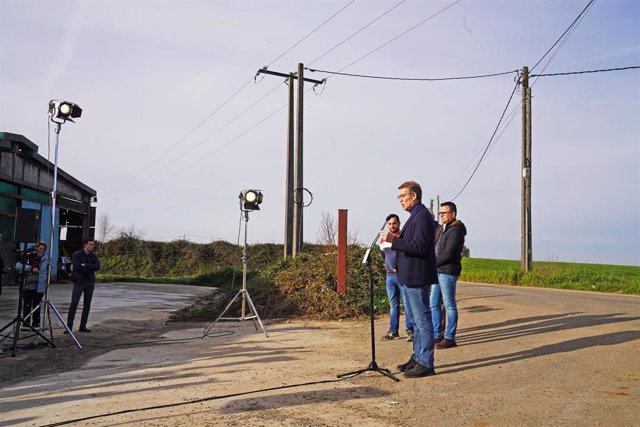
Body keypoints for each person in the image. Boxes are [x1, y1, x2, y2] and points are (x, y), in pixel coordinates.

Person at [380, 181, 438, 378]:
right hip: (409, 276)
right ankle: (417, 357)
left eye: (403, 196)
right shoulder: (415, 216)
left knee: (422, 321)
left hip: (416, 276)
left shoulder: (422, 216)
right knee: (415, 321)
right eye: (399, 197)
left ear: (414, 195)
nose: (400, 201)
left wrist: (393, 240)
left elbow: (420, 246)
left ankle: (426, 362)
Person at [431, 201, 467, 349]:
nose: (442, 216)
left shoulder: (456, 230)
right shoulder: (443, 229)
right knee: (433, 303)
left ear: (453, 214)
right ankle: (437, 334)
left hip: (448, 272)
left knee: (449, 304)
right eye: (440, 213)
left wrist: (432, 265)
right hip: (438, 271)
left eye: (444, 213)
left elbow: (449, 253)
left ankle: (450, 337)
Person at [379, 213, 414, 342]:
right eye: (390, 224)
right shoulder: (383, 240)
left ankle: (410, 331)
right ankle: (393, 331)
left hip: (402, 276)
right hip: (389, 276)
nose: (392, 226)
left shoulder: (402, 238)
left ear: (399, 223)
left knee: (407, 304)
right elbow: (384, 256)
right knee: (393, 305)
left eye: (394, 223)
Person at [66, 238, 100, 333]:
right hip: (79, 282)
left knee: (87, 304)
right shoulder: (77, 255)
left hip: (89, 282)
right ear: (85, 245)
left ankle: (83, 326)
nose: (92, 246)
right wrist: (88, 267)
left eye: (93, 244)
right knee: (74, 303)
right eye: (90, 244)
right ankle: (69, 327)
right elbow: (76, 266)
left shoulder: (94, 256)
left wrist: (86, 265)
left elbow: (97, 267)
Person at [15, 242, 48, 329]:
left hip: (39, 287)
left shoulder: (46, 259)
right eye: (40, 248)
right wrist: (31, 268)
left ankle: (36, 324)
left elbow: (45, 273)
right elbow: (17, 266)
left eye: (43, 249)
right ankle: (26, 325)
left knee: (37, 307)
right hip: (28, 286)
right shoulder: (28, 257)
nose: (42, 250)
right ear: (37, 248)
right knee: (27, 306)